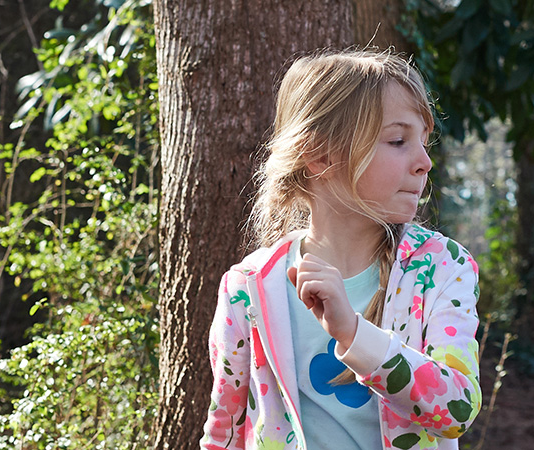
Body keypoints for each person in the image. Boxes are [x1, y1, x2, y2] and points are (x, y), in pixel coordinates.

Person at [201, 50, 483, 450]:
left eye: (424, 141)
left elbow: (457, 409)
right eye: (399, 140)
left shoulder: (441, 267)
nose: (425, 162)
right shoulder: (249, 287)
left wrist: (353, 334)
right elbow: (224, 429)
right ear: (320, 156)